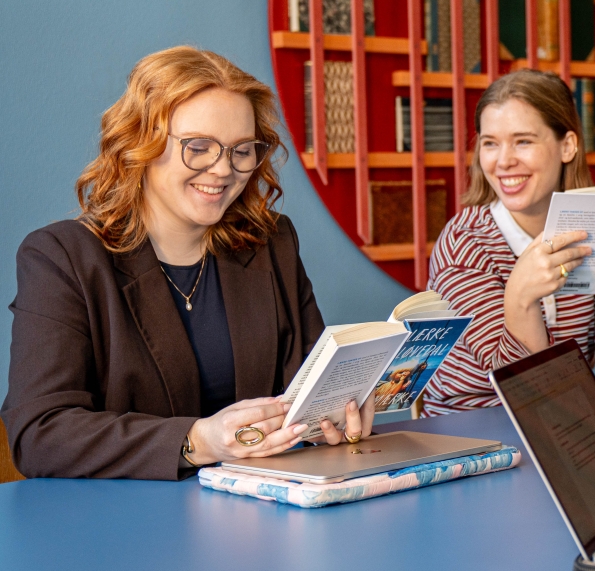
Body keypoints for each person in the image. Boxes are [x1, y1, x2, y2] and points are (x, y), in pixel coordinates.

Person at [1, 46, 373, 480]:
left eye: (241, 150)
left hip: (262, 516)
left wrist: (333, 416)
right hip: (125, 528)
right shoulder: (62, 258)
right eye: (199, 147)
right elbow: (39, 435)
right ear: (141, 142)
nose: (223, 170)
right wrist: (197, 441)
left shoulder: (272, 242)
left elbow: (305, 388)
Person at [423, 70, 595, 416]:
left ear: (567, 145)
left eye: (523, 141)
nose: (503, 160)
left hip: (566, 422)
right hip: (474, 432)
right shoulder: (464, 242)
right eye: (490, 143)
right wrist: (520, 299)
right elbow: (519, 384)